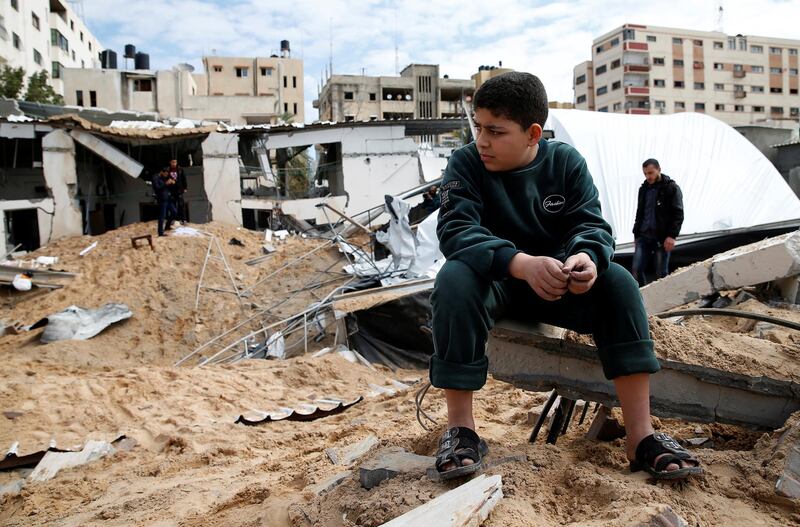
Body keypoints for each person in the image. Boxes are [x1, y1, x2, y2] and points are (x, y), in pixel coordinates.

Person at [430, 72, 701, 482]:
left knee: (621, 283)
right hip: (497, 281)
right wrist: (520, 263)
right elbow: (455, 230)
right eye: (478, 126)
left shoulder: (565, 162)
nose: (481, 139)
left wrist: (586, 259)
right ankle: (462, 429)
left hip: (559, 283)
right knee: (452, 279)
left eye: (495, 131)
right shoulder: (466, 162)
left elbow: (591, 224)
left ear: (532, 133)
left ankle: (640, 435)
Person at [631, 159, 684, 286]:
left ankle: (662, 303)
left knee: (661, 274)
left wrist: (672, 236)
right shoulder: (643, 189)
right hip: (644, 236)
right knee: (636, 270)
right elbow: (640, 212)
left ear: (659, 169)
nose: (648, 177)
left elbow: (678, 213)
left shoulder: (671, 188)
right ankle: (642, 299)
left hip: (662, 238)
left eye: (650, 173)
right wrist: (636, 234)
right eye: (645, 174)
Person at [152, 169, 174, 236]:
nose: (166, 175)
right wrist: (166, 183)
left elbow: (166, 187)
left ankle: (167, 226)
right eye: (165, 173)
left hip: (168, 198)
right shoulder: (155, 178)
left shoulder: (163, 178)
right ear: (161, 172)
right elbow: (157, 188)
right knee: (162, 216)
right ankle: (160, 232)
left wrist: (172, 183)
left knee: (174, 212)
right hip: (162, 199)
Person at [166, 158, 188, 224]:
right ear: (170, 162)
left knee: (181, 204)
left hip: (179, 189)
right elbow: (165, 178)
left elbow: (184, 178)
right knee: (173, 205)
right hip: (171, 190)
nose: (174, 164)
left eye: (175, 162)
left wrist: (185, 187)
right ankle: (173, 219)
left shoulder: (180, 169)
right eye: (173, 162)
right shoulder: (167, 170)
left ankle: (183, 219)